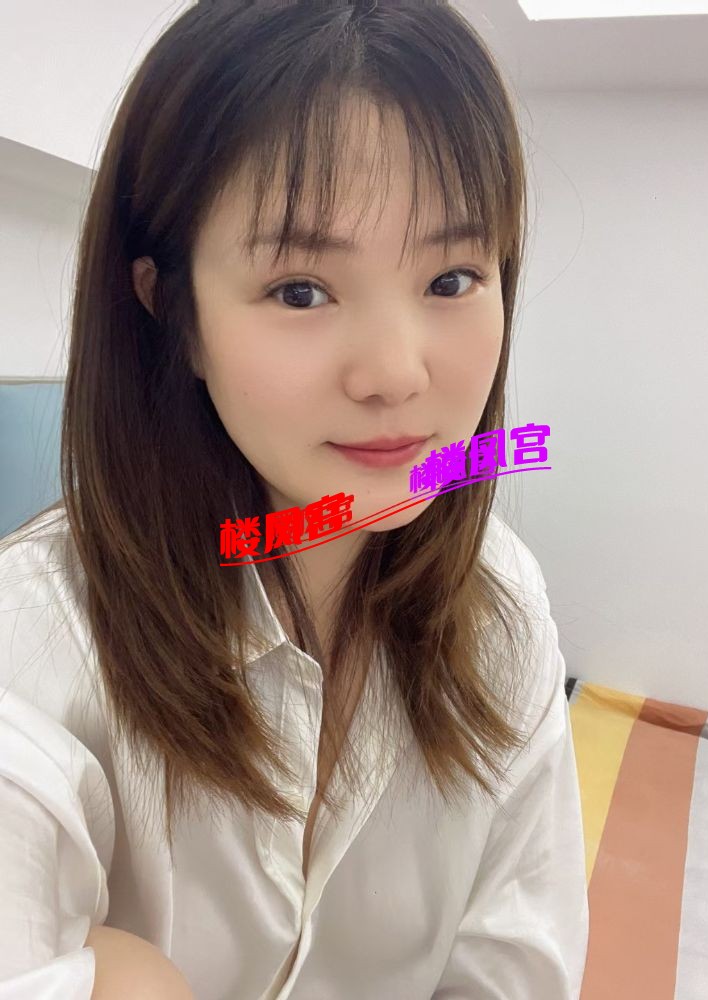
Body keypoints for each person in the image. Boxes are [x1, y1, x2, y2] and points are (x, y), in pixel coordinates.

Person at [0, 1, 589, 997]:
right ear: (173, 311)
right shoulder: (37, 641)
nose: (397, 374)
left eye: (453, 277)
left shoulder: (501, 608)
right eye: (301, 291)